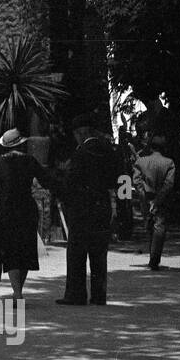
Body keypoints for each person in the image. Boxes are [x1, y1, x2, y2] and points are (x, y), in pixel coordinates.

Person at [56, 114, 122, 306]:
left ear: (80, 133)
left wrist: (64, 197)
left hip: (82, 208)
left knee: (77, 251)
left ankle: (76, 294)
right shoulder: (111, 151)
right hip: (103, 206)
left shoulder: (81, 153)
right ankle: (99, 294)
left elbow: (71, 182)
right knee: (99, 252)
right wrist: (122, 205)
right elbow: (122, 178)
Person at [0, 128, 59, 299]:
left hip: (7, 210)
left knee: (11, 252)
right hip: (27, 209)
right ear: (21, 144)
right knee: (25, 251)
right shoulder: (30, 161)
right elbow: (46, 181)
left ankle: (16, 292)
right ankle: (19, 290)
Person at [133, 135, 175, 269]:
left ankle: (153, 256)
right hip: (161, 199)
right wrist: (157, 200)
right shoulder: (169, 163)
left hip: (146, 197)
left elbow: (137, 181)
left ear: (150, 147)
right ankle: (154, 258)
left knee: (149, 225)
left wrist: (143, 195)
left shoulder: (141, 162)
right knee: (159, 226)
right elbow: (169, 184)